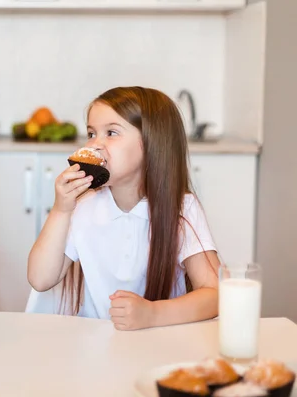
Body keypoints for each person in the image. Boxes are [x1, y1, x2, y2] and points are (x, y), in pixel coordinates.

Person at [26, 86, 219, 330]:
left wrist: (153, 314)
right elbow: (40, 279)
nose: (95, 145)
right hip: (93, 347)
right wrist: (60, 210)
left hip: (159, 344)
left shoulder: (182, 209)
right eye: (91, 133)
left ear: (152, 144)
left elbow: (215, 293)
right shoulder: (82, 206)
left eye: (111, 133)